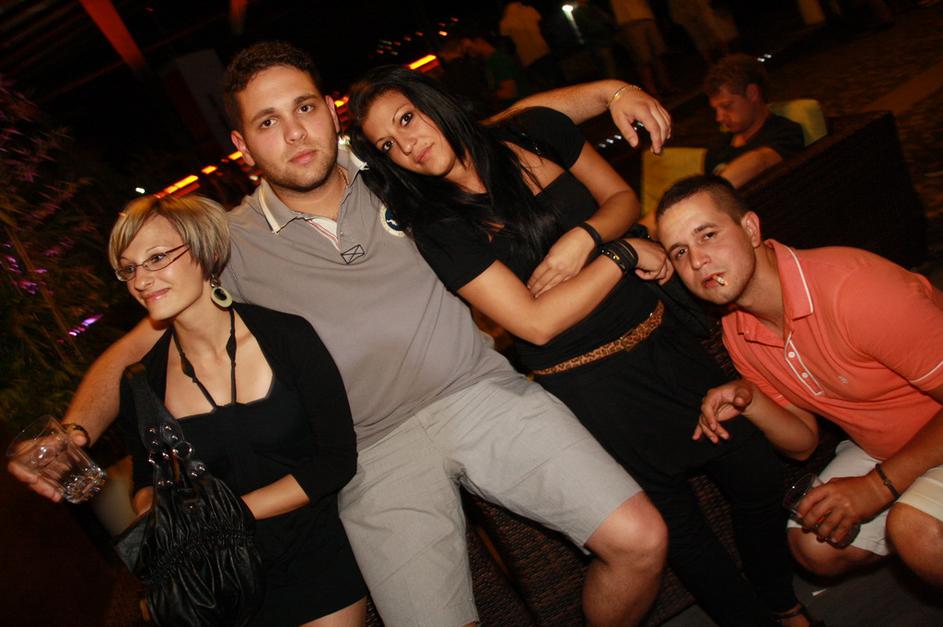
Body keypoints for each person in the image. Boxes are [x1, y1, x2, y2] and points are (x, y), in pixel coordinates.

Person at [8, 42, 676, 627]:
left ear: (331, 112)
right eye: (267, 122)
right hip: (370, 455)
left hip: (480, 394)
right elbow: (138, 344)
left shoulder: (397, 171)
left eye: (304, 108)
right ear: (243, 146)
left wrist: (613, 92)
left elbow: (495, 128)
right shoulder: (230, 243)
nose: (294, 132)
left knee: (640, 541)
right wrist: (73, 433)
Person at [348, 66, 815, 627]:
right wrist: (620, 255)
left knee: (755, 473)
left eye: (407, 119)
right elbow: (534, 324)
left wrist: (584, 238)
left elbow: (620, 198)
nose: (408, 145)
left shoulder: (531, 133)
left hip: (661, 338)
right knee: (681, 529)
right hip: (593, 386)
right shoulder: (437, 225)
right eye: (387, 145)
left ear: (433, 103)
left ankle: (778, 596)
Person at [656, 175, 943, 588]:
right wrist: (750, 399)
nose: (697, 261)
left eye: (708, 235)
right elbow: (803, 442)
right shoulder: (738, 330)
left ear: (750, 229)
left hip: (926, 438)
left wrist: (879, 486)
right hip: (890, 448)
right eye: (680, 252)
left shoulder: (852, 289)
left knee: (916, 531)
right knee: (813, 545)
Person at [109, 195, 367, 626]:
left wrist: (227, 516)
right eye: (129, 269)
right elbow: (145, 479)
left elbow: (336, 460)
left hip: (315, 554)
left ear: (204, 252)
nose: (141, 280)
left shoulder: (286, 337)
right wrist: (155, 510)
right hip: (218, 582)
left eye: (156, 258)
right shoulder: (142, 383)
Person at [703, 54, 804, 187]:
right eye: (715, 109)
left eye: (727, 106)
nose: (719, 117)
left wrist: (717, 191)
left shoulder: (785, 133)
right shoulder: (717, 147)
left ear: (752, 93)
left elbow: (761, 161)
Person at [609, 0, 675, 95]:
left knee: (658, 55)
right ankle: (652, 91)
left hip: (647, 18)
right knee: (643, 60)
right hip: (630, 22)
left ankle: (666, 86)